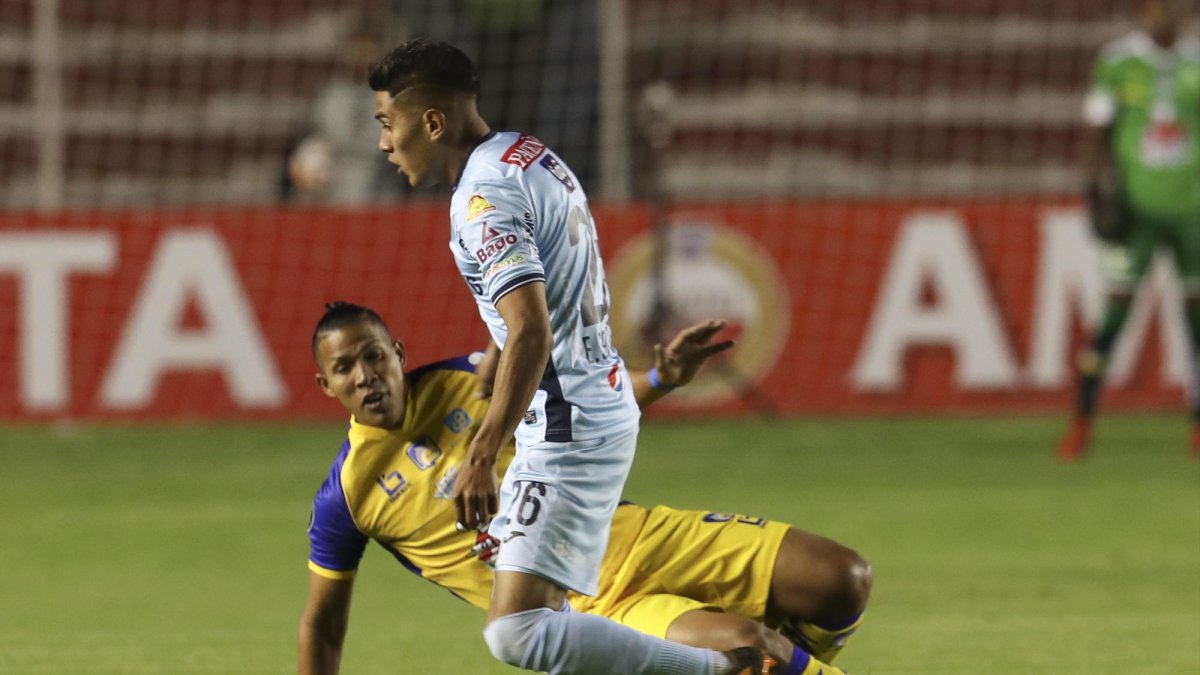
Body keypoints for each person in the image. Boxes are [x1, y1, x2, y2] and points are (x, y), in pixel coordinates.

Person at [366, 39, 776, 675]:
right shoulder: (526, 154)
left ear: (433, 122)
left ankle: (725, 669)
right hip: (591, 402)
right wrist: (496, 351)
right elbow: (545, 290)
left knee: (519, 633)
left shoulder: (480, 199)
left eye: (387, 124)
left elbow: (531, 329)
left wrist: (482, 453)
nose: (383, 144)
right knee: (559, 617)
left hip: (566, 427)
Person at [298, 302, 871, 675]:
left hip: (640, 534)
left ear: (397, 354)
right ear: (326, 385)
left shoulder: (470, 378)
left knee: (842, 578)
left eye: (374, 356)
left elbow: (582, 406)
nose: (365, 375)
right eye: (345, 368)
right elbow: (321, 623)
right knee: (750, 653)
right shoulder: (347, 497)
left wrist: (663, 378)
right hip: (592, 603)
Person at [1058, 0, 1200, 461]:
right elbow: (1098, 131)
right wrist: (1094, 190)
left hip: (1193, 211)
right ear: (1141, 14)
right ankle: (1081, 423)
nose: (1164, 16)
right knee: (1112, 319)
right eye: (1155, 9)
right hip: (1135, 211)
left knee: (1197, 321)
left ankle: (1198, 428)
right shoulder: (1118, 62)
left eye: (1171, 7)